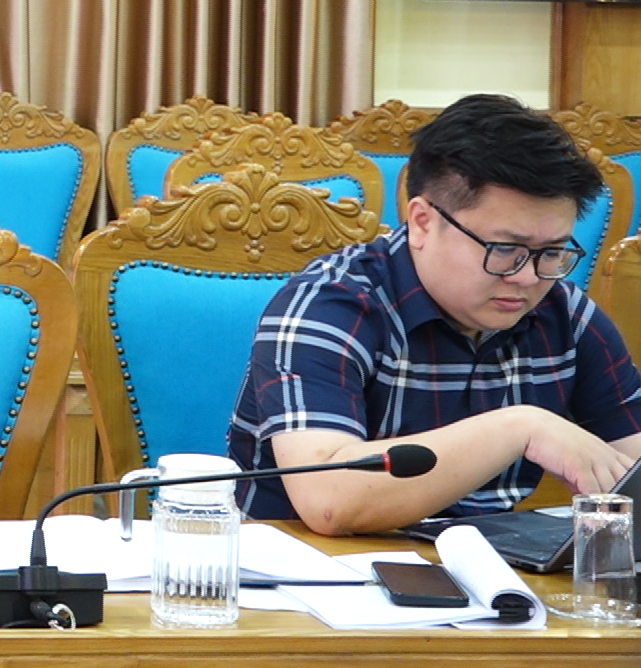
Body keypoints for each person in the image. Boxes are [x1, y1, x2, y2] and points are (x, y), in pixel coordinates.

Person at [228, 93, 641, 535]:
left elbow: (633, 462)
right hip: (316, 565)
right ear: (423, 222)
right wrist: (522, 427)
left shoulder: (563, 313)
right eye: (505, 249)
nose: (527, 277)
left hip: (493, 562)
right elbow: (328, 500)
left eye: (552, 252)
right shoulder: (329, 305)